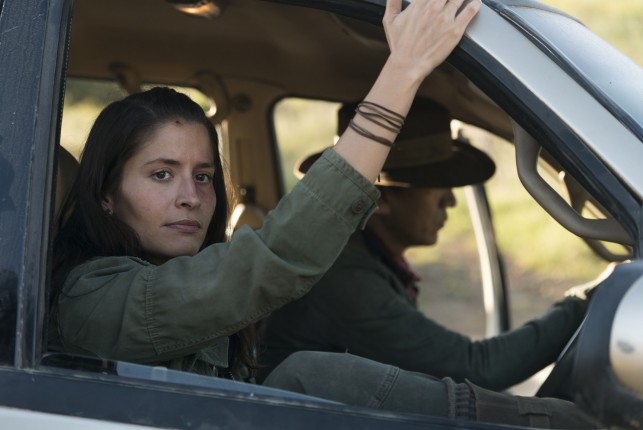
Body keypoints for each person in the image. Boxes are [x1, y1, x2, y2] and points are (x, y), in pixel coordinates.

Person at [49, 0, 600, 427]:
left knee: (308, 378)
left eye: (204, 176)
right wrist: (403, 70)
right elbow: (272, 260)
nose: (191, 196)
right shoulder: (94, 299)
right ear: (106, 195)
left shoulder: (170, 279)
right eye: (161, 175)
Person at [257, 99, 589, 392]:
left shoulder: (364, 258)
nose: (451, 200)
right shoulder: (346, 278)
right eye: (437, 184)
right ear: (379, 198)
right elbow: (477, 367)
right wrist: (583, 305)